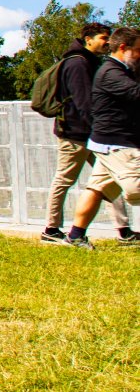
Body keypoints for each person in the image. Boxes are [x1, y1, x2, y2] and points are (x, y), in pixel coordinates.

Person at [41, 23, 133, 244]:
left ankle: (123, 230)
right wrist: (100, 130)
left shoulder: (91, 62)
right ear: (88, 39)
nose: (106, 42)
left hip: (91, 133)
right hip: (75, 133)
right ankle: (51, 229)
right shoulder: (77, 64)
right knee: (64, 180)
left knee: (108, 179)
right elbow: (84, 102)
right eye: (103, 37)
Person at [64, 27, 140, 248]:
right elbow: (136, 94)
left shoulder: (125, 69)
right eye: (139, 50)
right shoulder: (111, 72)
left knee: (97, 189)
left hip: (108, 142)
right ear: (124, 48)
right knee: (135, 188)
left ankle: (76, 236)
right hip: (118, 143)